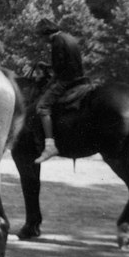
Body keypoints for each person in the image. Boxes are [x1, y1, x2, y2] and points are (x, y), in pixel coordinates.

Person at [34, 17, 84, 163]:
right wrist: (48, 66)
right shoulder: (69, 38)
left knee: (42, 106)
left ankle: (50, 145)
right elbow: (66, 62)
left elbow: (59, 70)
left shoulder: (57, 41)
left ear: (46, 33)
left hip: (67, 80)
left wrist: (49, 77)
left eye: (41, 37)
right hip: (79, 78)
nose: (42, 41)